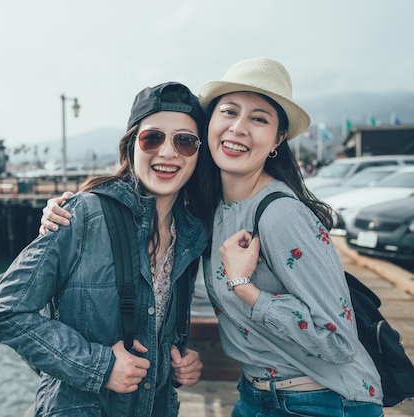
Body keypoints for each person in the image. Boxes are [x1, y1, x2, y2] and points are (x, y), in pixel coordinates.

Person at [39, 58, 384, 417]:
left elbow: (339, 341)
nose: (239, 128)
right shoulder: (209, 210)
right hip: (257, 396)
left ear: (278, 138)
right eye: (229, 112)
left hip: (324, 402)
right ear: (210, 125)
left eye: (259, 119)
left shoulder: (282, 214)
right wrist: (70, 211)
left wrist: (245, 288)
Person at [0, 81, 209, 417]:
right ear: (131, 145)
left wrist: (178, 360)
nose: (167, 152)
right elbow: (7, 311)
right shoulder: (85, 213)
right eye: (153, 138)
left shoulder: (191, 234)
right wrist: (100, 366)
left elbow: (158, 324)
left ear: (197, 153)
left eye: (185, 141)